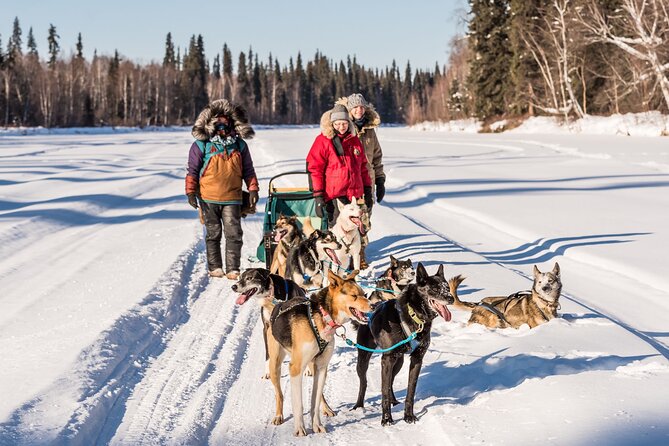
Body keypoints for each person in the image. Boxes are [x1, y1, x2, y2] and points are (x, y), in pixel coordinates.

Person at [185, 99, 259, 280]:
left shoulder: (240, 145)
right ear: (209, 123)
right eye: (217, 122)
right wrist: (190, 192)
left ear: (233, 123)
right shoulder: (201, 145)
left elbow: (248, 169)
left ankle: (233, 268)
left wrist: (253, 189)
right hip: (208, 197)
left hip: (232, 198)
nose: (221, 125)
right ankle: (215, 267)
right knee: (213, 233)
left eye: (225, 121)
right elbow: (192, 170)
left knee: (234, 234)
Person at [337, 93, 385, 268]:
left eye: (361, 107)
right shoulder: (342, 128)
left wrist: (380, 180)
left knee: (363, 220)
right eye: (355, 107)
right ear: (349, 109)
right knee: (346, 221)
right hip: (345, 185)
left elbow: (376, 158)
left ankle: (360, 253)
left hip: (366, 183)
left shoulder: (370, 132)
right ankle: (344, 255)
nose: (358, 110)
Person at [306, 103, 372, 231]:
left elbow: (363, 167)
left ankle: (355, 251)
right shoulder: (323, 141)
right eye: (337, 124)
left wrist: (368, 189)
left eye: (344, 123)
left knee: (356, 230)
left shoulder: (354, 140)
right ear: (332, 124)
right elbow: (315, 169)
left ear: (349, 123)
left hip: (353, 197)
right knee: (337, 231)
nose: (341, 127)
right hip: (333, 196)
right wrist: (318, 196)